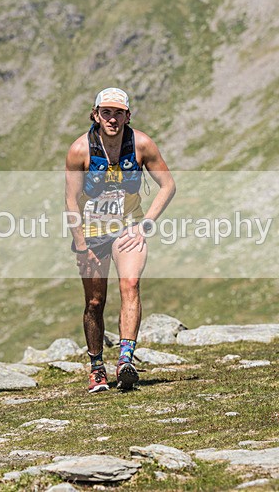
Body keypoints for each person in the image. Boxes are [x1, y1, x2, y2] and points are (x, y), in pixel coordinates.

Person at [64, 87, 176, 393]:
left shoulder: (141, 144)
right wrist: (81, 245)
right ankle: (96, 366)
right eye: (106, 113)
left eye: (118, 113)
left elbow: (167, 185)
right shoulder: (79, 150)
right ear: (96, 114)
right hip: (93, 233)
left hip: (129, 227)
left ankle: (125, 361)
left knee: (130, 285)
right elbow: (71, 201)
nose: (112, 119)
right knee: (95, 302)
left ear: (128, 115)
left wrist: (146, 225)